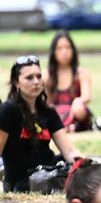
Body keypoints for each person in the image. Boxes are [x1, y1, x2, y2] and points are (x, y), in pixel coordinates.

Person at [0, 55, 80, 192]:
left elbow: (69, 151)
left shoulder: (48, 112)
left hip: (49, 173)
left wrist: (85, 167)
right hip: (21, 182)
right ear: (16, 82)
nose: (36, 81)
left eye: (38, 76)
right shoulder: (8, 110)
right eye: (29, 78)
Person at [43, 30, 93, 132]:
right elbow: (44, 101)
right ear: (54, 52)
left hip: (76, 113)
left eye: (67, 48)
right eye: (59, 48)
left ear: (73, 50)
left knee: (80, 108)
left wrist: (78, 101)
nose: (64, 52)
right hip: (55, 113)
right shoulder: (47, 74)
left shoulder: (81, 73)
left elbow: (86, 96)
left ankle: (68, 126)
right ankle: (67, 127)